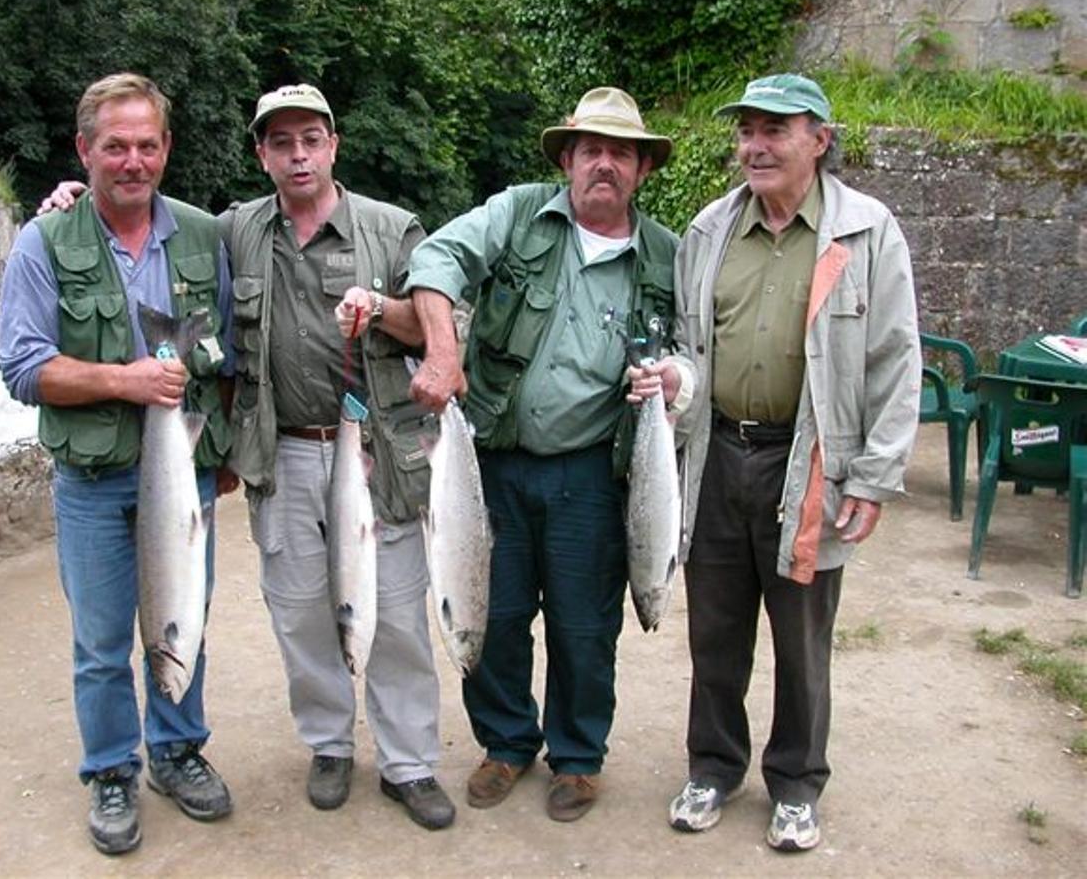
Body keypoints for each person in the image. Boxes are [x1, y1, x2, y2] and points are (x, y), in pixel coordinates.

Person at [629, 74, 921, 852]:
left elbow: (896, 359)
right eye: (746, 131)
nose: (754, 147)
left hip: (810, 464)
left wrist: (874, 477)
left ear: (819, 140)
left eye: (774, 131)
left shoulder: (867, 233)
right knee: (714, 635)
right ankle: (713, 767)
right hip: (717, 457)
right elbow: (689, 347)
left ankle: (795, 783)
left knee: (802, 641)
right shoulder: (709, 230)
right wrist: (675, 380)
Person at [406, 87, 677, 822]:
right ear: (567, 160)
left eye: (621, 153)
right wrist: (443, 349)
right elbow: (436, 258)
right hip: (493, 461)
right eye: (591, 150)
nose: (604, 164)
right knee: (491, 614)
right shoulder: (519, 213)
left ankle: (579, 758)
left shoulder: (666, 256)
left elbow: (693, 351)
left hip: (592, 471)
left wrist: (673, 375)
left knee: (585, 626)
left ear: (643, 170)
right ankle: (505, 743)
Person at [0, 73, 236, 856]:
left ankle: (177, 751)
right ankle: (110, 770)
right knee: (101, 642)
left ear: (166, 149)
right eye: (115, 146)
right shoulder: (43, 243)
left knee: (184, 618)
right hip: (94, 482)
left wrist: (226, 452)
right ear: (84, 151)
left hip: (184, 472)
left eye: (146, 145)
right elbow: (23, 367)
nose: (133, 161)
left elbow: (230, 352)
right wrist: (124, 381)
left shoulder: (203, 233)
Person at [221, 84, 454, 831]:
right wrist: (73, 202)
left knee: (398, 612)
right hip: (284, 451)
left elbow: (439, 325)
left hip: (378, 455)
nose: (298, 155)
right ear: (262, 154)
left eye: (311, 140)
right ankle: (328, 744)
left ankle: (409, 762)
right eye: (281, 142)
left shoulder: (393, 230)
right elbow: (155, 231)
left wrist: (381, 309)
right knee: (297, 611)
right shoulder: (234, 231)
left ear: (334, 146)